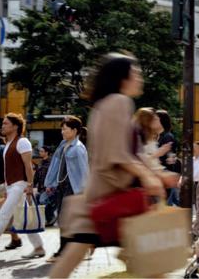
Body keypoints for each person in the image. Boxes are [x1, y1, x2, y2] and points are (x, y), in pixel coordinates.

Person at [48, 53, 176, 278]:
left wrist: (156, 174)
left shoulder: (100, 106)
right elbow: (117, 154)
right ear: (123, 78)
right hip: (116, 199)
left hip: (99, 195)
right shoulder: (120, 102)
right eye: (136, 73)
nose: (140, 78)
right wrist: (148, 177)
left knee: (73, 255)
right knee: (151, 262)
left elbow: (123, 152)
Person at [44, 116, 90, 263]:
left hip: (74, 187)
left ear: (74, 130)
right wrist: (50, 183)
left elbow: (84, 171)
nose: (62, 131)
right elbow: (55, 166)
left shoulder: (78, 148)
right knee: (66, 219)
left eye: (65, 129)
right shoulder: (62, 144)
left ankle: (62, 251)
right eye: (62, 129)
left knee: (64, 219)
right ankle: (80, 246)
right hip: (61, 186)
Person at [0, 113, 46, 258]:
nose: (2, 125)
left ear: (15, 126)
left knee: (3, 214)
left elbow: (28, 166)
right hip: (12, 185)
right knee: (23, 218)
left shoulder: (22, 142)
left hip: (20, 185)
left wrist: (30, 186)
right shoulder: (8, 144)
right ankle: (39, 248)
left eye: (6, 123)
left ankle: (38, 247)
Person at [133, 108, 173, 172]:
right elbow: (137, 162)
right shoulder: (138, 137)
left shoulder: (152, 137)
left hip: (158, 171)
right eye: (154, 119)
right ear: (147, 121)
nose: (158, 121)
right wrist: (157, 154)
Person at [156, 110, 180, 206]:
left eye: (155, 119)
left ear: (161, 121)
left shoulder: (168, 137)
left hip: (164, 175)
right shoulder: (159, 136)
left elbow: (171, 159)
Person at [34, 145, 56, 226]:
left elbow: (53, 175)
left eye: (42, 151)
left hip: (48, 187)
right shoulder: (40, 162)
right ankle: (49, 218)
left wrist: (50, 185)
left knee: (43, 202)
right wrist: (33, 185)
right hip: (40, 187)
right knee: (38, 203)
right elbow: (37, 175)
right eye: (40, 151)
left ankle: (50, 217)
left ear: (47, 153)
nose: (40, 152)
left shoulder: (51, 163)